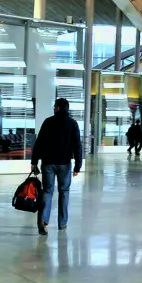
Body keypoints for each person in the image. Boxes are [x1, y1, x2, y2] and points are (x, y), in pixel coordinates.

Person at [31, 98, 82, 235]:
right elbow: (77, 145)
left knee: (47, 192)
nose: (53, 108)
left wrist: (34, 161)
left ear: (59, 108)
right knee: (64, 192)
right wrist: (78, 166)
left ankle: (43, 220)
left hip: (48, 163)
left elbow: (39, 142)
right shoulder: (72, 124)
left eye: (55, 106)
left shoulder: (48, 122)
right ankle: (62, 224)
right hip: (64, 163)